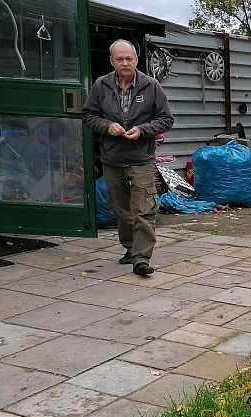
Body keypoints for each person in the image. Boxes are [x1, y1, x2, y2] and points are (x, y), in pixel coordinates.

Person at [82, 39, 174, 276]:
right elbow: (88, 116)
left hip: (141, 158)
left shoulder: (152, 86)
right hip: (112, 158)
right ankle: (130, 247)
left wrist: (143, 130)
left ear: (136, 60)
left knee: (144, 208)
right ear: (112, 61)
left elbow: (166, 119)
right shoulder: (101, 86)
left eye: (129, 59)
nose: (125, 63)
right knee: (121, 209)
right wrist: (106, 125)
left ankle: (141, 259)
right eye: (120, 59)